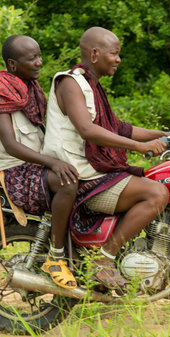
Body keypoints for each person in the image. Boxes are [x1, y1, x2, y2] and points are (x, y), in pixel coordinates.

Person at [42, 27, 169, 289]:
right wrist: (138, 146)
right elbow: (87, 129)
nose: (119, 59)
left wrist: (169, 134)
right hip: (81, 171)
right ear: (95, 53)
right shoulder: (70, 83)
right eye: (115, 53)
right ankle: (104, 260)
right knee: (156, 194)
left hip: (93, 168)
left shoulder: (92, 86)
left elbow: (118, 127)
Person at [0, 35, 79, 289]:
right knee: (68, 182)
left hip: (32, 167)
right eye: (31, 58)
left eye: (39, 55)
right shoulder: (3, 93)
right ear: (13, 65)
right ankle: (56, 257)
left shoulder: (29, 90)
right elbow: (12, 145)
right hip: (13, 171)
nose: (39, 62)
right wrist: (54, 164)